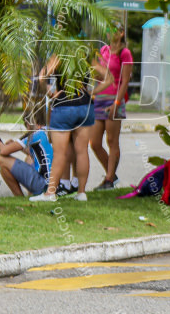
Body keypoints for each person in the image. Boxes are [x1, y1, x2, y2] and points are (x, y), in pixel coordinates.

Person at [29, 48, 112, 203]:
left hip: (64, 106)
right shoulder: (85, 54)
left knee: (60, 153)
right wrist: (91, 92)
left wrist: (50, 93)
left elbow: (41, 77)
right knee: (82, 151)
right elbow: (108, 78)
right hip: (85, 107)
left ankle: (50, 193)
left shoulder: (59, 53)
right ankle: (81, 193)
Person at [90, 23, 134, 190]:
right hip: (99, 99)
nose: (109, 32)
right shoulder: (104, 50)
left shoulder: (125, 53)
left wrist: (117, 103)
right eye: (107, 29)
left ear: (121, 33)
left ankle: (108, 180)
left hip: (113, 100)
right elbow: (99, 74)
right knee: (94, 142)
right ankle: (112, 175)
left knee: (111, 140)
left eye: (113, 30)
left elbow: (124, 81)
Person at [0, 109, 53, 197]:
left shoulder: (33, 135)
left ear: (28, 124)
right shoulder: (49, 132)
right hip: (55, 184)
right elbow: (37, 152)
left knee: (2, 160)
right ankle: (32, 195)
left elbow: (3, 151)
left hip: (43, 185)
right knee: (29, 158)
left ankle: (19, 196)